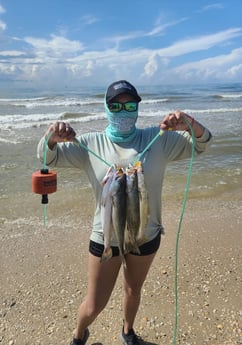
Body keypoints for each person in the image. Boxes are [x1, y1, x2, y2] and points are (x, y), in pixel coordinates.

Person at [37, 80, 212, 345]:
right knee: (95, 304)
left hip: (146, 234)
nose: (123, 110)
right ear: (106, 109)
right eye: (116, 105)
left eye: (130, 105)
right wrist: (51, 136)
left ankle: (127, 331)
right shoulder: (89, 144)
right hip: (107, 236)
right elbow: (47, 158)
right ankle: (78, 335)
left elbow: (202, 144)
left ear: (137, 108)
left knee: (133, 289)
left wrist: (190, 122)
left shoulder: (159, 140)